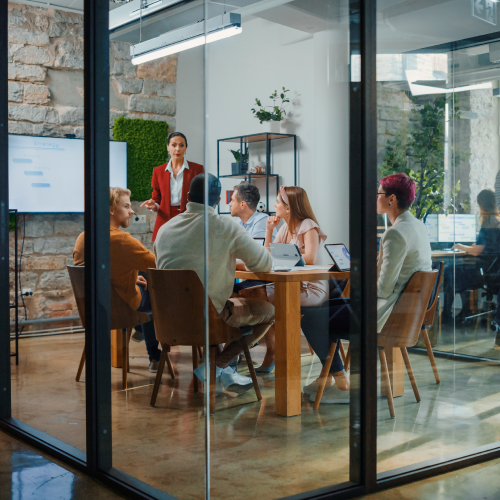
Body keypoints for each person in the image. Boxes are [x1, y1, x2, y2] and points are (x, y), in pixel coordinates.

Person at [301, 173, 432, 404]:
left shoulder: (395, 234)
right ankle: (334, 376)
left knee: (310, 318)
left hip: (385, 314)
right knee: (327, 306)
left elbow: (382, 288)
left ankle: (337, 376)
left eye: (378, 194)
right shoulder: (417, 227)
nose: (374, 198)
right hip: (402, 310)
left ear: (391, 199)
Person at [154, 173, 275, 392]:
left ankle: (224, 373)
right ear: (218, 200)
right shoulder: (225, 226)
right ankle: (217, 366)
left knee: (211, 302)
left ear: (188, 196)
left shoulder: (164, 230)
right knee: (269, 311)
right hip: (209, 320)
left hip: (168, 322)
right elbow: (264, 264)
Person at [73, 188, 162, 373]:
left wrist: (130, 275)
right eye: (127, 206)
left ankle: (141, 332)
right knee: (156, 288)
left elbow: (102, 271)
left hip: (94, 309)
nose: (132, 211)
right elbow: (158, 263)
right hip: (119, 309)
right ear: (111, 209)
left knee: (141, 277)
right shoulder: (122, 240)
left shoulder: (83, 237)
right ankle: (155, 355)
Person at [243, 185, 328, 373]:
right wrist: (269, 229)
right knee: (250, 294)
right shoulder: (284, 228)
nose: (274, 205)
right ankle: (269, 347)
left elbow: (312, 257)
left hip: (311, 289)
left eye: (277, 202)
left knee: (256, 296)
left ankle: (267, 348)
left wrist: (282, 256)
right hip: (293, 285)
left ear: (288, 208)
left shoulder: (308, 225)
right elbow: (266, 253)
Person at [442, 189, 500, 324]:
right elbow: (489, 247)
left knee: (450, 271)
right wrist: (477, 246)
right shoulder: (496, 220)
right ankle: (465, 310)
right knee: (458, 269)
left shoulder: (488, 221)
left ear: (481, 205)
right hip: (494, 272)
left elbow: (477, 252)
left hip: (485, 274)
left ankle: (447, 315)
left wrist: (459, 246)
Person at [140, 132, 204, 241]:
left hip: (189, 219)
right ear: (168, 147)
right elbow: (157, 199)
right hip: (165, 219)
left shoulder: (197, 169)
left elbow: (201, 198)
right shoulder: (158, 171)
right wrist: (153, 205)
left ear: (186, 148)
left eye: (181, 145)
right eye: (174, 145)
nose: (177, 149)